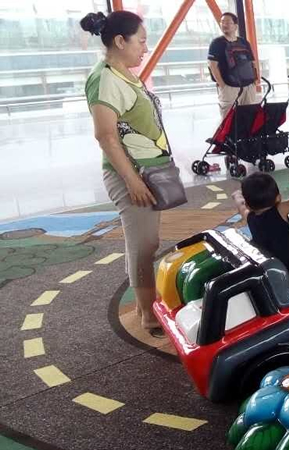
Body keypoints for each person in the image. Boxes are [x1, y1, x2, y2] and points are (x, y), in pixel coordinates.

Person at [82, 11, 169, 337]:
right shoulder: (104, 78)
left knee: (148, 242)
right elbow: (105, 136)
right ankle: (147, 313)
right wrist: (132, 180)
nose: (145, 48)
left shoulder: (122, 74)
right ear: (120, 41)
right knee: (143, 245)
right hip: (131, 175)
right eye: (141, 41)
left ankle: (147, 306)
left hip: (146, 171)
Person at [207, 12, 259, 117]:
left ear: (235, 26)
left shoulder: (244, 42)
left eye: (227, 22)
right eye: (222, 22)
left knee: (249, 118)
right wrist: (222, 85)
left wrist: (255, 80)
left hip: (248, 86)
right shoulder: (217, 43)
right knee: (229, 119)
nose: (224, 25)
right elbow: (212, 65)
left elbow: (253, 62)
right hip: (229, 87)